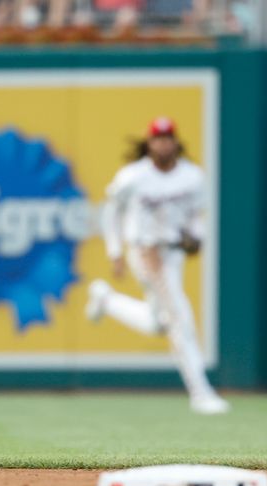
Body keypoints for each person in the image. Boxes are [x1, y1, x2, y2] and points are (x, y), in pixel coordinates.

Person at [85, 117, 230, 415]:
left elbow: (195, 216)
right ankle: (200, 393)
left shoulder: (192, 176)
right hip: (146, 251)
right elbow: (110, 213)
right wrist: (115, 251)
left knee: (159, 323)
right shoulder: (133, 176)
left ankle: (106, 300)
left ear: (176, 142)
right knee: (180, 317)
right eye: (157, 137)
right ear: (149, 143)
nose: (162, 143)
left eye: (167, 137)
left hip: (173, 252)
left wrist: (196, 238)